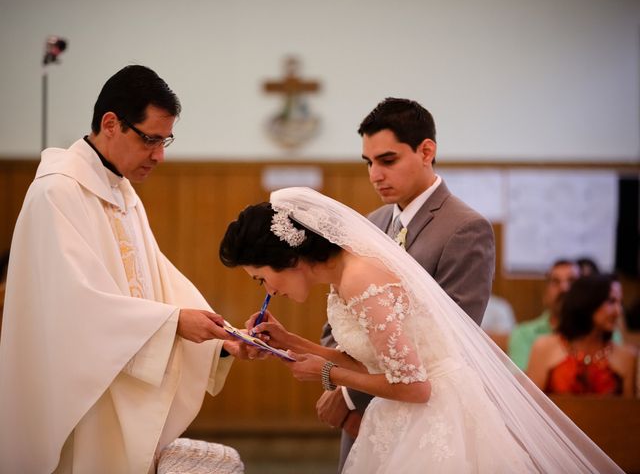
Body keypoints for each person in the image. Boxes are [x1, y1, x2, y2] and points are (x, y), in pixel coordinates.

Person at [219, 187, 622, 473]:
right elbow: (371, 361)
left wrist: (325, 375)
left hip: (435, 413)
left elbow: (416, 386)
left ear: (288, 257)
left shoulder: (359, 277)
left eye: (261, 277)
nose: (267, 290)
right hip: (400, 412)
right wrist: (289, 342)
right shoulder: (339, 279)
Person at [0, 65, 250, 473]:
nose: (160, 155)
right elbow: (74, 308)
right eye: (150, 139)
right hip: (84, 396)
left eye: (165, 140)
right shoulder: (57, 192)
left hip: (121, 383)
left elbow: (159, 282)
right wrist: (172, 324)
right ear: (111, 123)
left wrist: (220, 338)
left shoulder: (122, 191)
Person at [319, 97, 496, 469]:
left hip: (429, 418)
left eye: (387, 160)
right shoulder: (369, 223)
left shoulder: (465, 228)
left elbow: (452, 339)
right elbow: (335, 326)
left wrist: (351, 394)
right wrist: (339, 384)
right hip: (370, 418)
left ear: (426, 151)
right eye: (369, 163)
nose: (374, 175)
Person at [527, 274, 636, 397]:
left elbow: (629, 413)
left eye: (620, 303)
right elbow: (530, 405)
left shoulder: (626, 357)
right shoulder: (544, 347)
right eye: (611, 301)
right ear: (588, 302)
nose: (619, 311)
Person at [508, 260, 581, 370]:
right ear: (545, 294)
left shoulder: (601, 334)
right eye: (556, 282)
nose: (564, 288)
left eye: (572, 281)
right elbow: (518, 384)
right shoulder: (523, 334)